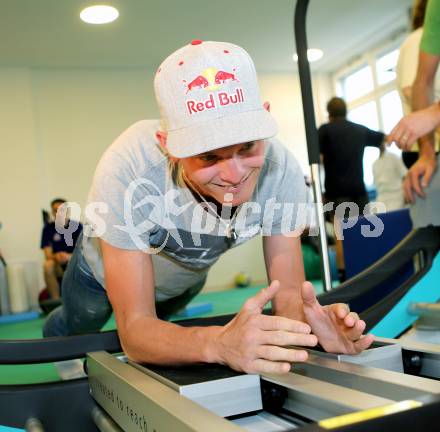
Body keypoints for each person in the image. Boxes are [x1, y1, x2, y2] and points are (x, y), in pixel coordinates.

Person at [43, 40, 373, 374]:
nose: (235, 175)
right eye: (209, 156)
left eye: (247, 147)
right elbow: (135, 329)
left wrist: (309, 330)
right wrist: (218, 343)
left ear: (264, 120)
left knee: (164, 340)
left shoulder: (281, 170)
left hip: (185, 277)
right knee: (78, 326)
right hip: (97, 275)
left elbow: (287, 297)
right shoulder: (128, 168)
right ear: (167, 145)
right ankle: (56, 332)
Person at [388, 0, 440, 203]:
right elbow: (415, 87)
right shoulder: (417, 39)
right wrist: (427, 152)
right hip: (430, 149)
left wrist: (434, 114)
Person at [318, 97, 386, 217]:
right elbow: (383, 139)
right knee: (364, 232)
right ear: (346, 111)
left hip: (336, 194)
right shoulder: (360, 130)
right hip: (360, 192)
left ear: (329, 113)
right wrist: (381, 160)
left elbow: (316, 159)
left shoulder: (325, 131)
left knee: (342, 234)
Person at [40, 198, 82, 299]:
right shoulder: (48, 229)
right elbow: (47, 254)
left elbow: (84, 251)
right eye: (55, 210)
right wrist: (57, 256)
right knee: (47, 265)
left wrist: (69, 256)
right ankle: (56, 302)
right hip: (57, 265)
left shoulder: (77, 226)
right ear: (52, 212)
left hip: (74, 263)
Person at [371, 143, 407, 212]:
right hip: (381, 199)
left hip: (396, 198)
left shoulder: (394, 157)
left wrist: (406, 196)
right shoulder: (374, 164)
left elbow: (405, 176)